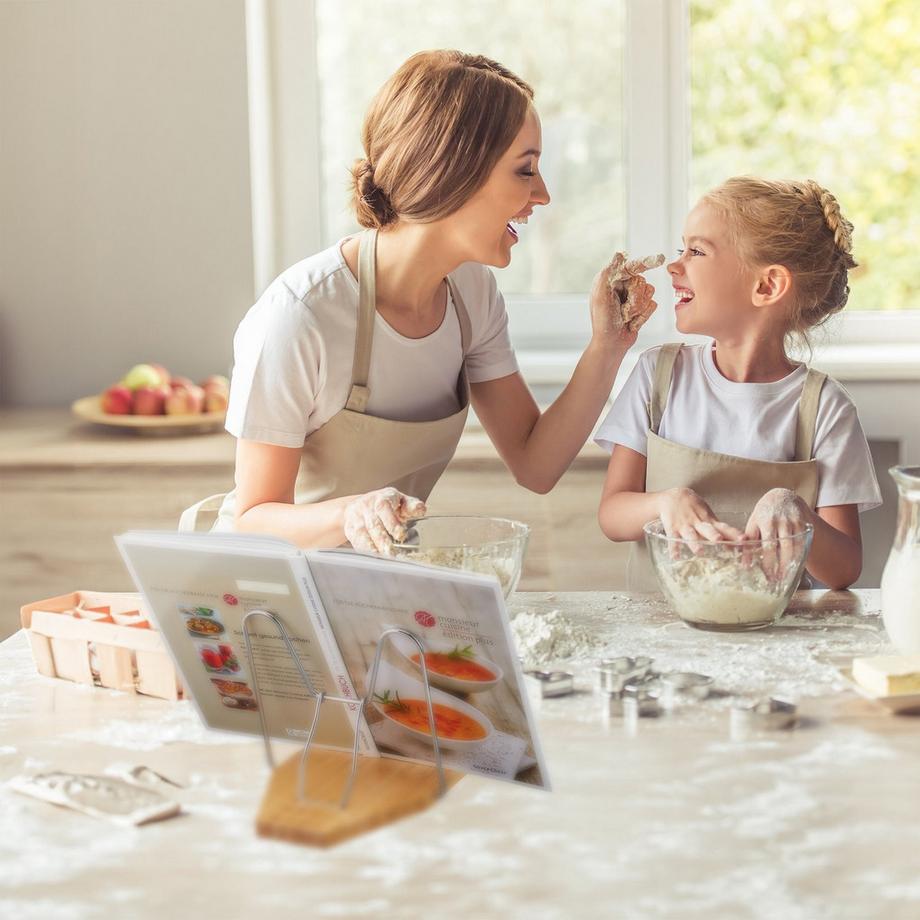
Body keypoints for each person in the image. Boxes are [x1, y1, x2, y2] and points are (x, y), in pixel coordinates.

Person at [179, 50, 658, 553]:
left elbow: (535, 465)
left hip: (374, 583)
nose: (542, 194)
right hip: (267, 599)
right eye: (525, 170)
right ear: (452, 170)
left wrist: (608, 345)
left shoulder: (471, 293)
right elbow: (251, 521)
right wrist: (352, 513)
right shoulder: (301, 316)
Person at [595, 176, 881, 591]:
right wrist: (666, 503)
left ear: (766, 286)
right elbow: (612, 516)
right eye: (682, 248)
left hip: (772, 636)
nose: (674, 266)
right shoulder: (658, 375)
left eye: (696, 251)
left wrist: (796, 511)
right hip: (659, 631)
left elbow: (845, 569)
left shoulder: (824, 406)